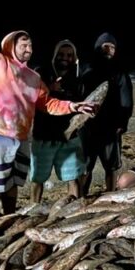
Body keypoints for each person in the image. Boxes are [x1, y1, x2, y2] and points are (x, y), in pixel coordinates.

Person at [0, 0, 95, 220]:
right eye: (24, 44)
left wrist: (72, 106)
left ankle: (8, 221)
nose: (28, 47)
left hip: (21, 137)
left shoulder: (34, 77)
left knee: (13, 184)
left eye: (30, 44)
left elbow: (47, 104)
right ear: (12, 45)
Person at [28, 40, 86, 204]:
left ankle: (74, 210)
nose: (65, 58)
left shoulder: (77, 78)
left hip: (69, 137)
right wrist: (49, 88)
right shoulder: (40, 73)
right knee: (38, 178)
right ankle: (34, 209)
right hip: (44, 137)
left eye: (69, 55)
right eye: (61, 54)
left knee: (74, 178)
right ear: (54, 55)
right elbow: (31, 97)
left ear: (74, 58)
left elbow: (81, 105)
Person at [80, 33, 134, 194]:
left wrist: (122, 123)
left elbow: (127, 100)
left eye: (113, 47)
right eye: (106, 46)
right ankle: (81, 196)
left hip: (110, 128)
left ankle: (111, 194)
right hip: (87, 127)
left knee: (111, 165)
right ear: (98, 47)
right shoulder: (84, 69)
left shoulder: (119, 72)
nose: (110, 50)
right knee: (85, 166)